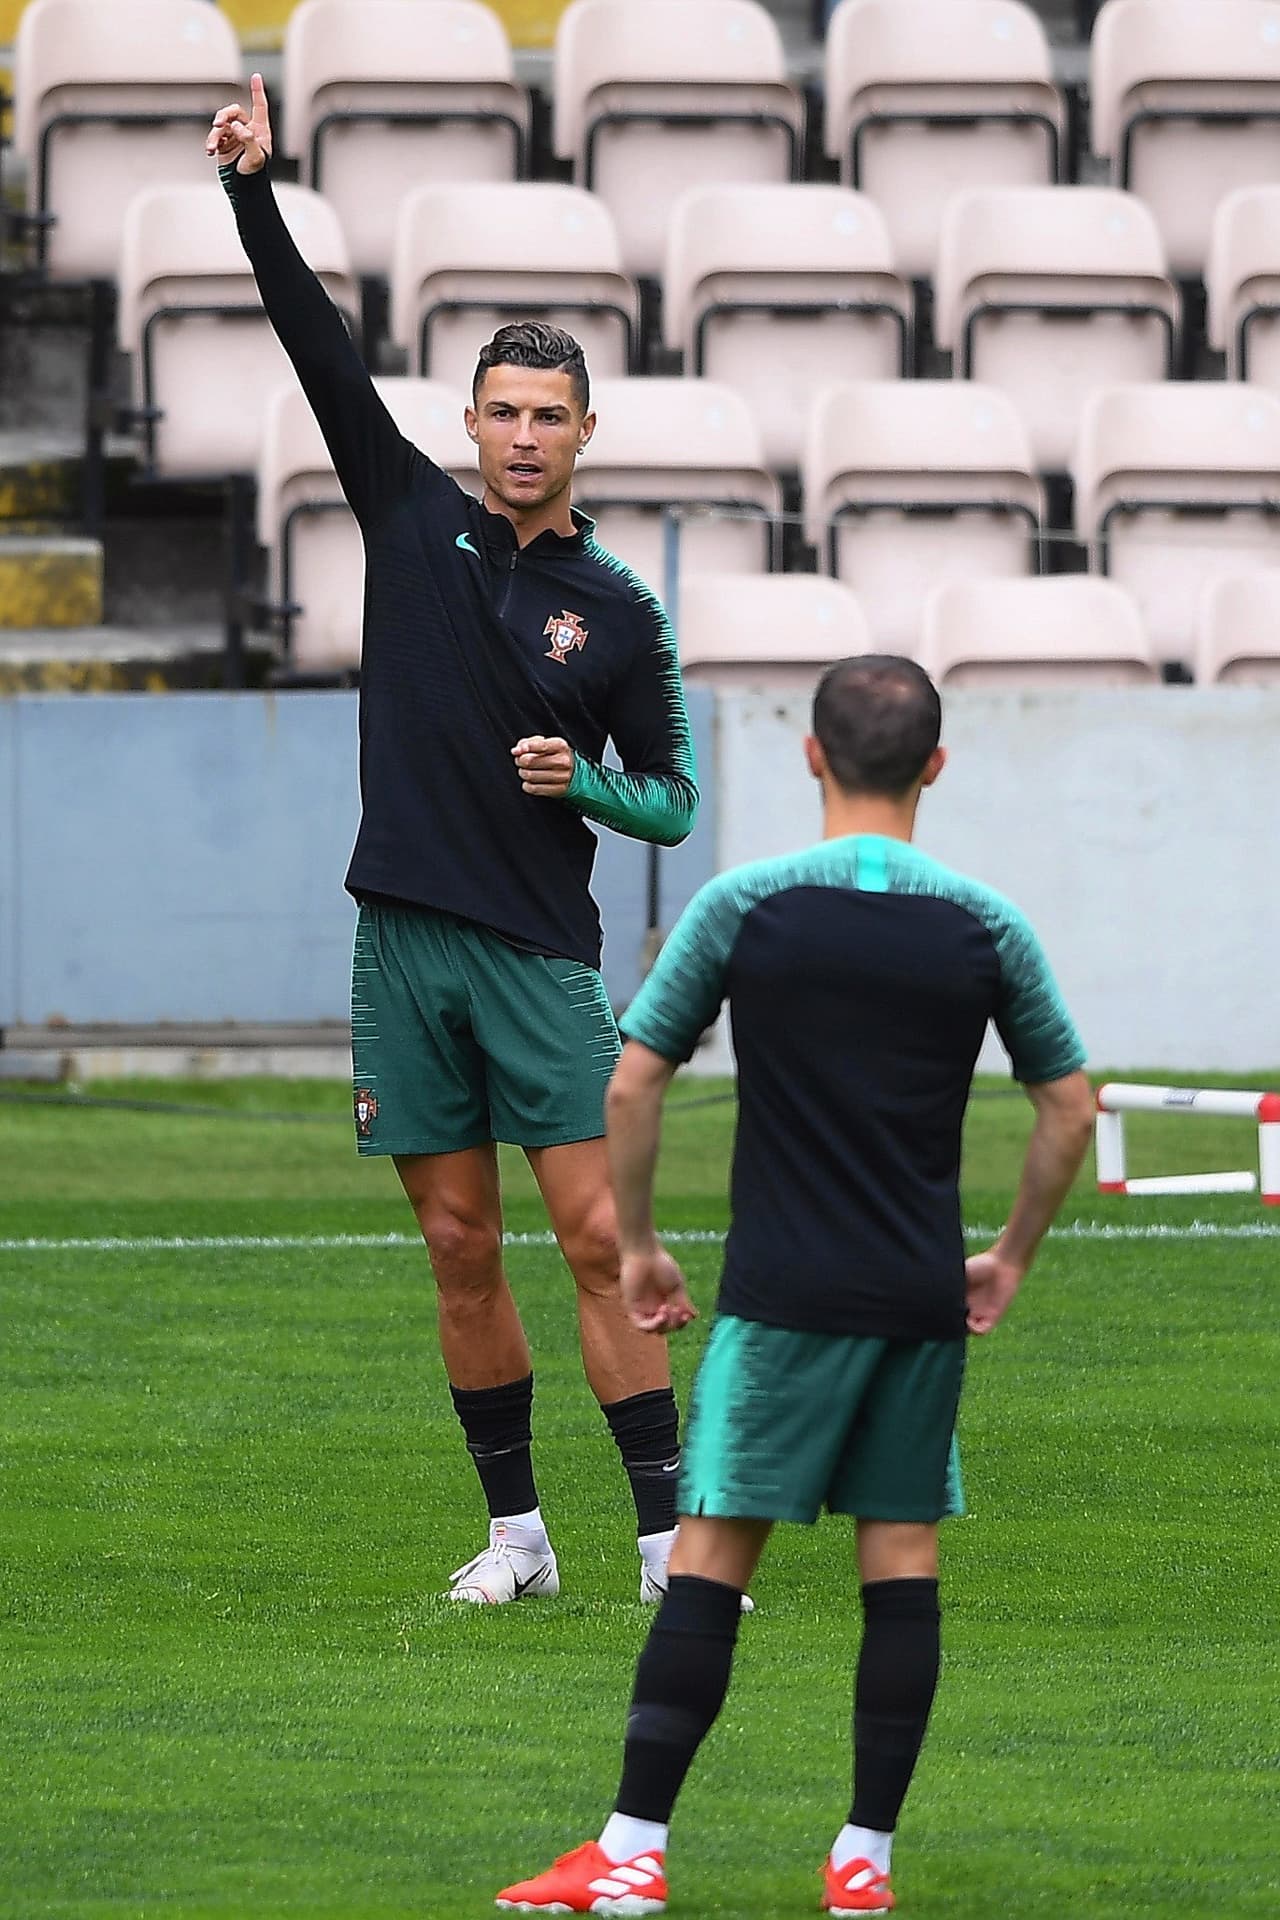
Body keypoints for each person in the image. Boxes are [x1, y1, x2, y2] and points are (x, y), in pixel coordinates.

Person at [206, 79, 700, 1605]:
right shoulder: (407, 514)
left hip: (541, 956)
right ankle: (519, 1541)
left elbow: (675, 797)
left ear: (585, 432)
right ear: (468, 421)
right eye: (505, 409)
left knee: (595, 1244)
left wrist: (590, 789)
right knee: (456, 1244)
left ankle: (673, 1545)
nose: (527, 435)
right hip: (399, 935)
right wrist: (251, 195)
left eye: (553, 414)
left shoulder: (624, 613)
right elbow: (314, 346)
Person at [496, 655, 1095, 1914]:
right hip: (914, 1299)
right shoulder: (987, 923)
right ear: (934, 766)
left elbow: (632, 1081)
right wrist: (1008, 1256)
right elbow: (1067, 1107)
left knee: (709, 1557)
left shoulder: (742, 906)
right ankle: (863, 1863)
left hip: (780, 1298)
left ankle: (631, 1853)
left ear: (811, 758)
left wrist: (644, 1242)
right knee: (901, 1564)